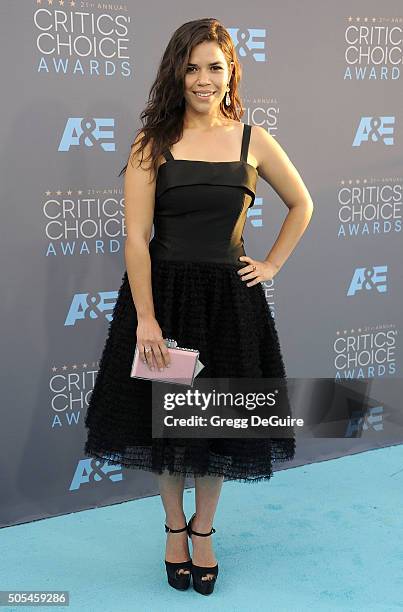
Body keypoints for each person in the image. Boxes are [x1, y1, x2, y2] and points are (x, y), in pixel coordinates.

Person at [84, 17, 314, 596]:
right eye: (192, 67)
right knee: (167, 427)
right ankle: (172, 527)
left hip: (229, 304)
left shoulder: (252, 140)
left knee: (216, 425)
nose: (204, 79)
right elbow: (137, 238)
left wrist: (271, 265)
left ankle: (204, 530)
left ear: (230, 70)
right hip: (164, 299)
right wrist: (146, 318)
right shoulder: (152, 143)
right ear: (176, 73)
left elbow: (302, 204)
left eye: (215, 66)